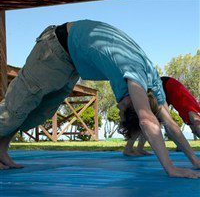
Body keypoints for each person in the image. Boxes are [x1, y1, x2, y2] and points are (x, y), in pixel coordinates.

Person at [0, 19, 200, 178]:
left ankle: (2, 149)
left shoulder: (154, 85)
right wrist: (171, 169)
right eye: (122, 109)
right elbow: (147, 119)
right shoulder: (135, 78)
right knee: (16, 107)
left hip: (72, 63)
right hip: (55, 48)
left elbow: (170, 125)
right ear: (130, 100)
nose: (118, 105)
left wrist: (195, 160)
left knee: (38, 112)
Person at [122, 76, 200, 156]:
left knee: (153, 121)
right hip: (164, 86)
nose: (192, 132)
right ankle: (128, 149)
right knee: (147, 119)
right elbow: (196, 122)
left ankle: (138, 149)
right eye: (195, 132)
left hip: (167, 89)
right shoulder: (193, 113)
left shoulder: (191, 114)